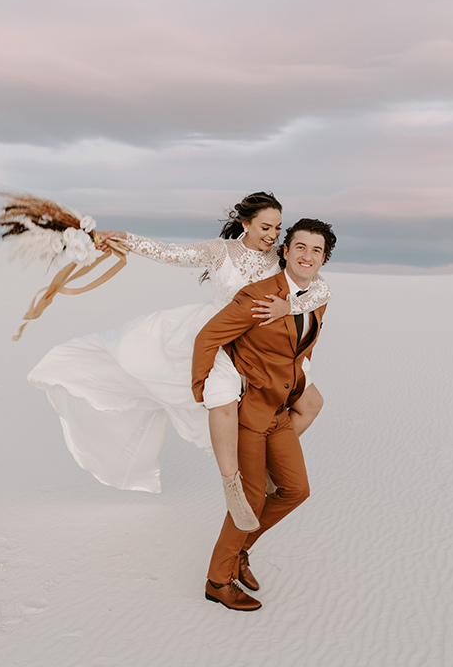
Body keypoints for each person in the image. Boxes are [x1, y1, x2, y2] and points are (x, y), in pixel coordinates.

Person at [28, 194, 331, 529]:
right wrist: (124, 239)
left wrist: (287, 307)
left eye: (277, 227)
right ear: (245, 224)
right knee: (223, 398)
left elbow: (320, 289)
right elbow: (169, 253)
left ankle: (266, 461)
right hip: (221, 337)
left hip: (266, 341)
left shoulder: (281, 256)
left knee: (311, 403)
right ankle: (232, 483)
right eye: (265, 226)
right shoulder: (219, 252)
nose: (273, 234)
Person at [191, 218, 336, 611]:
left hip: (280, 410)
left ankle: (241, 548)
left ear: (324, 258)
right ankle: (218, 580)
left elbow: (299, 347)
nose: (308, 255)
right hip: (250, 413)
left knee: (295, 490)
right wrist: (201, 387)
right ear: (285, 251)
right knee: (251, 498)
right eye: (300, 247)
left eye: (316, 250)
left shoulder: (316, 296)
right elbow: (209, 336)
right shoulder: (257, 296)